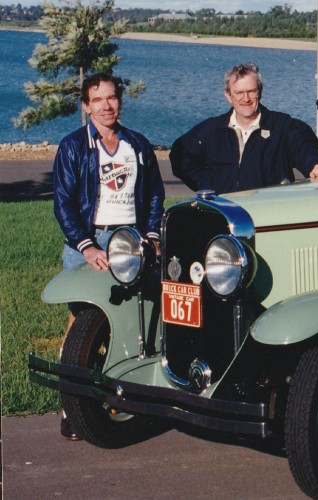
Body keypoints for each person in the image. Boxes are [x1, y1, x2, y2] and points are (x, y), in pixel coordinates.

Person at [52, 72, 165, 440]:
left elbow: (152, 195)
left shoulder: (137, 144)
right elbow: (64, 203)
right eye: (97, 99)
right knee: (82, 324)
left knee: (135, 315)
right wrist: (86, 245)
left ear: (120, 101)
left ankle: (130, 392)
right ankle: (71, 408)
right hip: (89, 241)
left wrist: (149, 235)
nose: (106, 105)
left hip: (130, 241)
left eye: (112, 98)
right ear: (86, 106)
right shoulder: (72, 146)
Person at [170, 63, 318, 194]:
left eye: (251, 91)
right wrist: (209, 186)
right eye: (239, 93)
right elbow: (179, 154)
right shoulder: (212, 130)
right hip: (224, 213)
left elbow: (304, 146)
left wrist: (315, 164)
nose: (245, 99)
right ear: (228, 96)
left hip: (268, 214)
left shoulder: (282, 126)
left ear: (260, 92)